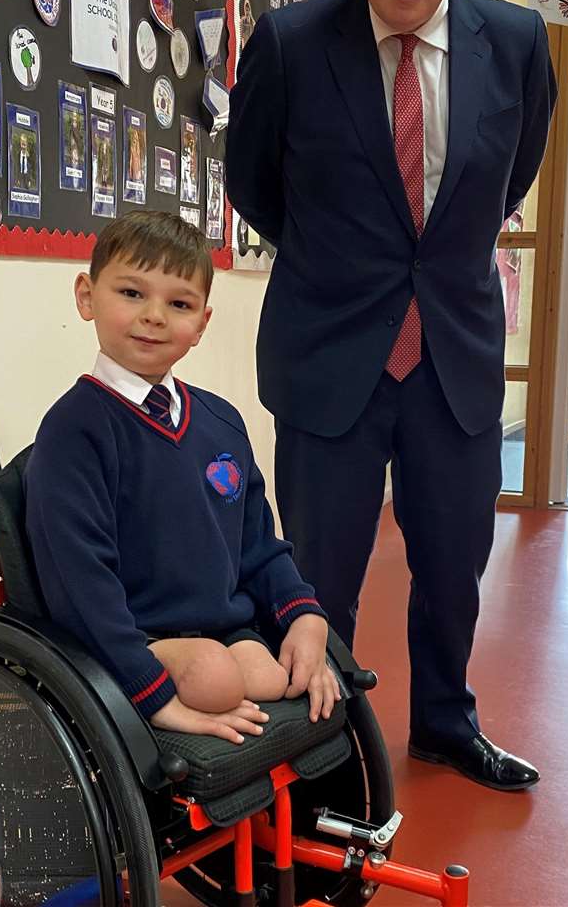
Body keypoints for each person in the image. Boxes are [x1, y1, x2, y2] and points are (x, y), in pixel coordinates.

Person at [227, 0, 556, 790]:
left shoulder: (518, 44)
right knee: (317, 576)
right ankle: (324, 746)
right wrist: (346, 264)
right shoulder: (290, 44)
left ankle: (446, 724)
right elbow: (254, 186)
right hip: (329, 352)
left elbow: (508, 174)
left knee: (452, 561)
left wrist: (428, 263)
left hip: (452, 354)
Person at [25, 211, 340, 742]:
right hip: (138, 637)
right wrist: (156, 699)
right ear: (86, 296)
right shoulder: (74, 430)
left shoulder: (220, 422)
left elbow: (258, 547)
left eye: (179, 304)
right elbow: (82, 584)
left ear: (201, 323)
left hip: (222, 627)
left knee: (277, 674)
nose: (154, 317)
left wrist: (306, 616)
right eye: (131, 293)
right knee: (216, 678)